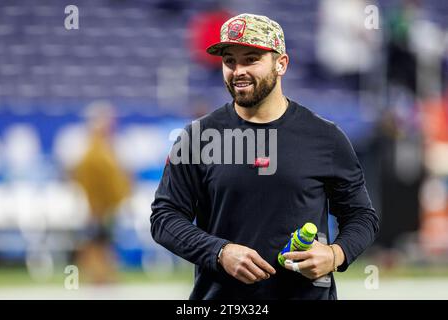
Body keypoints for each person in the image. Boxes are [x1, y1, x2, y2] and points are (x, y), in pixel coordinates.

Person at [151, 13, 379, 299]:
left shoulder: (325, 137)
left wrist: (335, 254)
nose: (238, 71)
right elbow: (164, 217)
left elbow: (361, 216)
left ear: (281, 64)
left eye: (251, 59)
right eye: (229, 61)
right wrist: (219, 252)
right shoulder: (197, 138)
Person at [71, 102, 131, 284]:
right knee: (95, 240)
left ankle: (101, 275)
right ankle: (98, 276)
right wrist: (95, 204)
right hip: (98, 206)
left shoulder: (105, 149)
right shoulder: (94, 152)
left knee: (101, 240)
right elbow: (91, 179)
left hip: (105, 205)